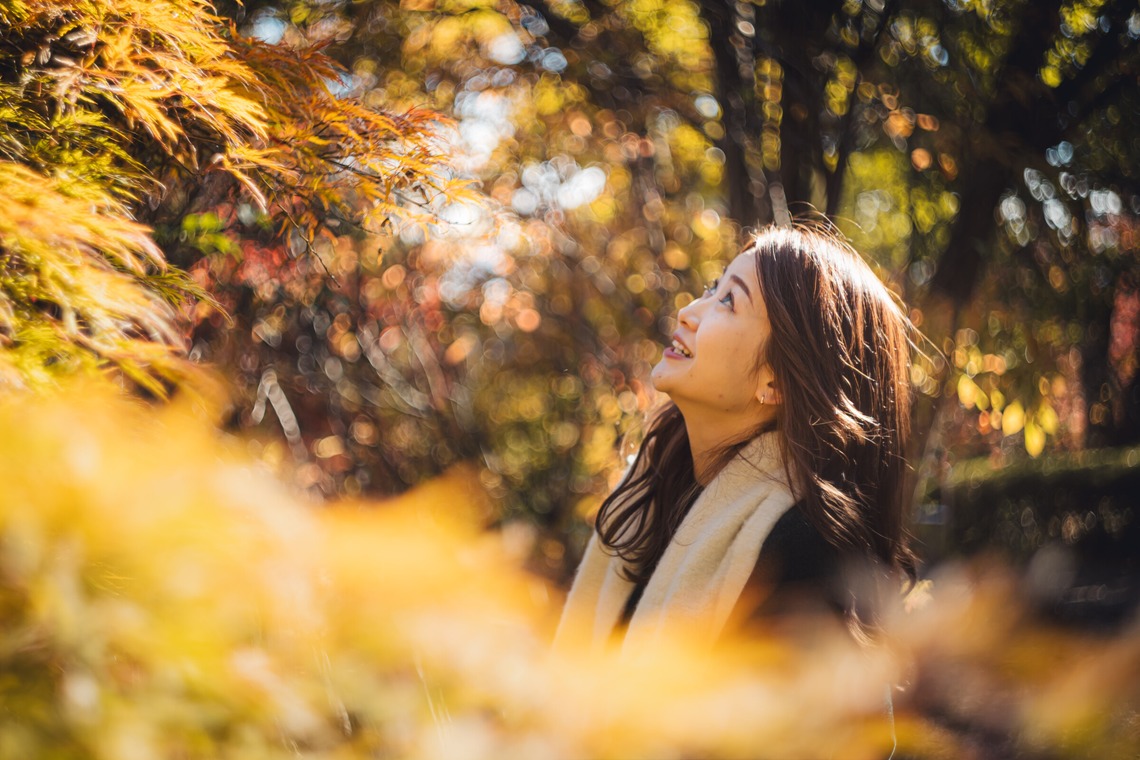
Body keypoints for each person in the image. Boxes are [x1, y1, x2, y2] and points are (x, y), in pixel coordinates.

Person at [555, 223, 918, 653]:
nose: (689, 311)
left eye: (728, 300)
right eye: (713, 288)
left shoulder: (798, 553)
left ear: (777, 383)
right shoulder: (653, 490)